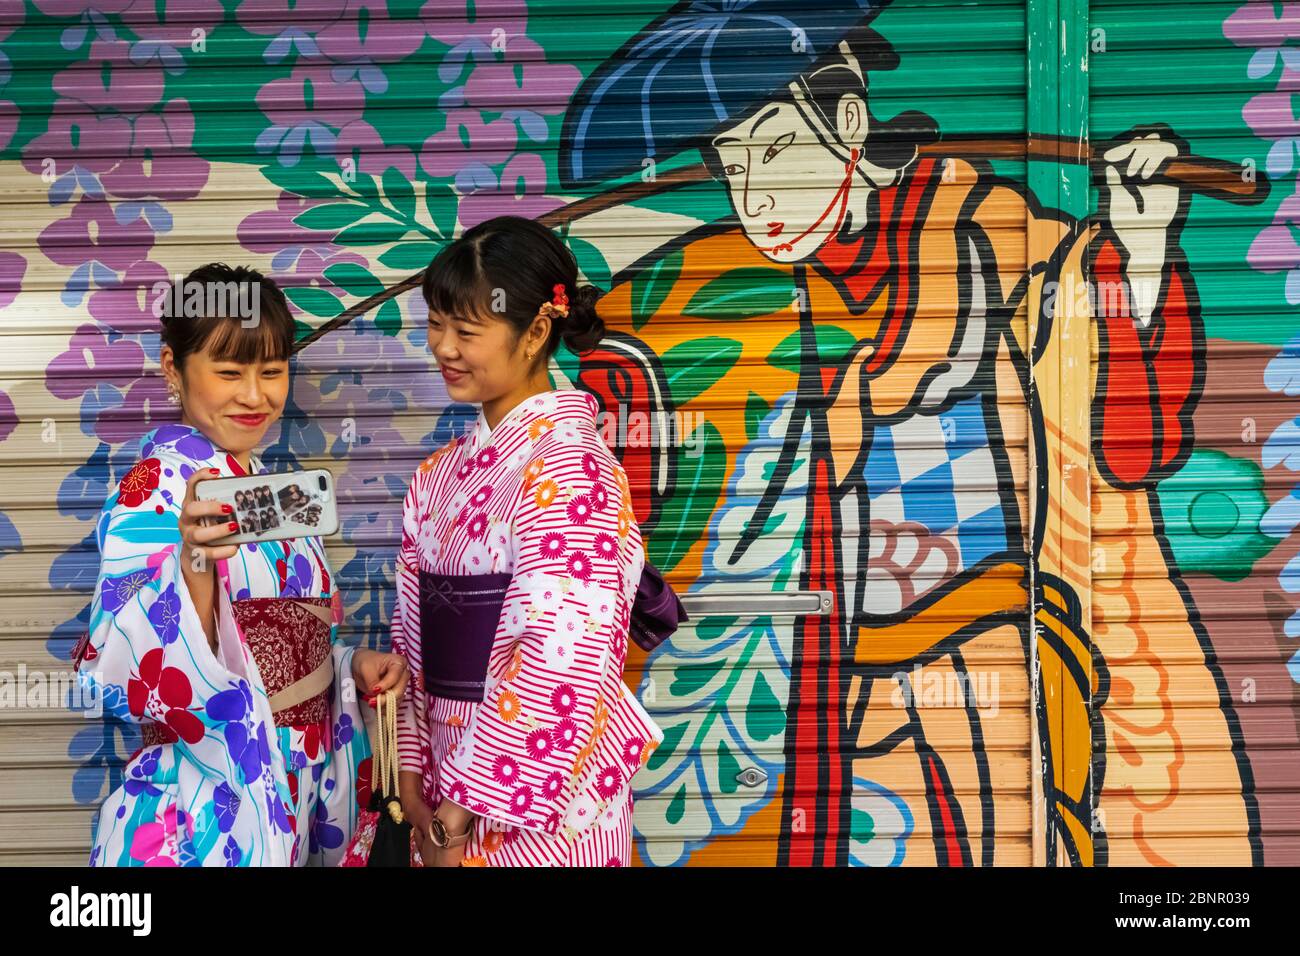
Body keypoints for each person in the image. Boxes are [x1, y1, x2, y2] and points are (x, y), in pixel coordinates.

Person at [74, 262, 409, 866]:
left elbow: (284, 652)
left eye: (273, 371)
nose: (256, 396)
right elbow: (125, 660)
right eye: (230, 372)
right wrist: (194, 563)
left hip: (290, 796)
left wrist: (349, 665)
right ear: (173, 368)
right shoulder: (156, 486)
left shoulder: (272, 494)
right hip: (200, 809)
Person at [391, 216, 665, 866]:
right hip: (443, 788)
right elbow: (414, 640)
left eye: (467, 330)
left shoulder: (571, 468)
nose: (445, 347)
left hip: (538, 810)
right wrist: (416, 785)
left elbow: (560, 654)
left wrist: (460, 811)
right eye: (437, 324)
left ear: (537, 330)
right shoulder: (438, 475)